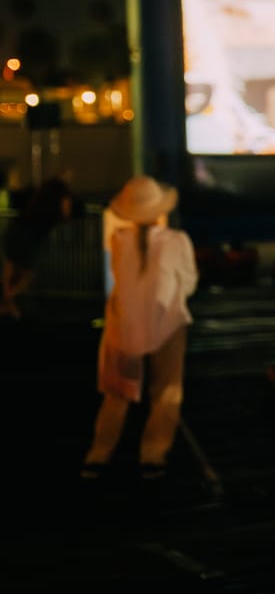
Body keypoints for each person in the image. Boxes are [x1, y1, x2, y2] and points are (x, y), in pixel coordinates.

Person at [80, 176, 197, 479]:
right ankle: (153, 454)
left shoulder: (118, 242)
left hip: (124, 327)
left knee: (116, 394)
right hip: (168, 324)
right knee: (167, 392)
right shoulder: (177, 241)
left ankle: (99, 454)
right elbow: (189, 283)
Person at [1, 176, 73, 319]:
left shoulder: (31, 226)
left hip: (34, 300)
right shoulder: (33, 230)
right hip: (33, 301)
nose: (69, 204)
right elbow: (14, 269)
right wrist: (9, 298)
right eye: (66, 200)